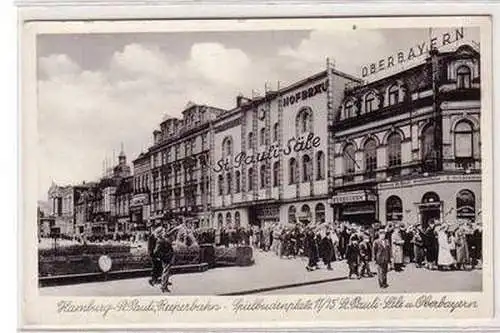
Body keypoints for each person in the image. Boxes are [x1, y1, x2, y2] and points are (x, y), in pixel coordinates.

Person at [154, 228, 175, 293]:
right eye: (163, 231)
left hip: (168, 258)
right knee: (165, 272)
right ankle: (163, 287)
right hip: (166, 259)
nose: (164, 232)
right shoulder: (160, 241)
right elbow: (156, 252)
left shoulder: (163, 239)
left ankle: (164, 285)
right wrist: (165, 256)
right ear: (160, 233)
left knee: (167, 272)